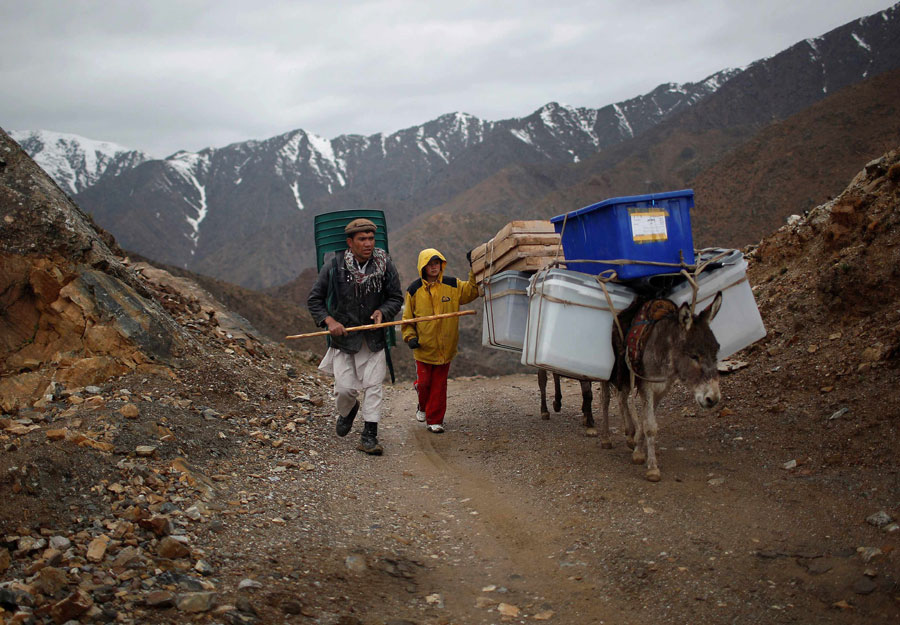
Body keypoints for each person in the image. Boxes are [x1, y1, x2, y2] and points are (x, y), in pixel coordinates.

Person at [307, 218, 403, 454]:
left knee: (373, 387)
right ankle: (349, 410)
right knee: (344, 390)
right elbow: (315, 300)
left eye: (371, 238)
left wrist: (383, 311)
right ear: (350, 242)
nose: (368, 243)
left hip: (373, 339)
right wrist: (330, 321)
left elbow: (396, 298)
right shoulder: (334, 266)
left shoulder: (385, 264)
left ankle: (369, 435)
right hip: (345, 340)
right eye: (362, 239)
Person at [402, 248, 479, 433]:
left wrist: (474, 267)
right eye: (430, 264)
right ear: (423, 267)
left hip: (446, 348)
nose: (434, 267)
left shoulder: (452, 284)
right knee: (424, 383)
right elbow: (407, 319)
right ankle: (421, 404)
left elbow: (472, 291)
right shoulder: (414, 290)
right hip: (423, 349)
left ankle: (435, 420)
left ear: (441, 264)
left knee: (438, 385)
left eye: (437, 263)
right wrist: (410, 337)